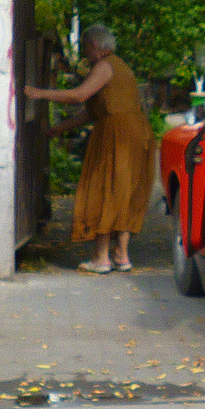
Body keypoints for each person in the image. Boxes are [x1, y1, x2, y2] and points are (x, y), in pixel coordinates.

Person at [25, 24, 154, 274]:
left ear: (94, 46)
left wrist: (39, 93)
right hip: (136, 133)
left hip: (116, 135)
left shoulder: (104, 66)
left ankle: (101, 258)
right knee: (123, 192)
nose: (84, 54)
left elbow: (80, 95)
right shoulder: (121, 67)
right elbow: (91, 112)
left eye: (85, 48)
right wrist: (58, 129)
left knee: (104, 190)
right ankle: (121, 256)